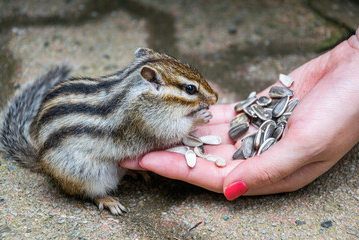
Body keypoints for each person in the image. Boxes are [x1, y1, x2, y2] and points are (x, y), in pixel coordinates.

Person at [121, 28, 359, 201]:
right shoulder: (143, 113)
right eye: (191, 90)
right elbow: (161, 132)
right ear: (153, 82)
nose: (212, 101)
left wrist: (354, 56)